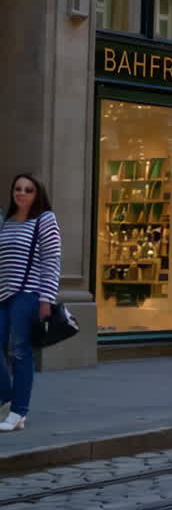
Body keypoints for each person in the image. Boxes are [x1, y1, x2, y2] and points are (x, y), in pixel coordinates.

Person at [0, 174, 61, 432]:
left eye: (28, 190)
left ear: (37, 194)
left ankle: (18, 412)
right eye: (18, 188)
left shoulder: (45, 219)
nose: (21, 193)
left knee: (20, 352)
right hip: (3, 295)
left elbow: (51, 261)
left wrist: (47, 299)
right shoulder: (7, 221)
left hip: (28, 294)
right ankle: (8, 399)